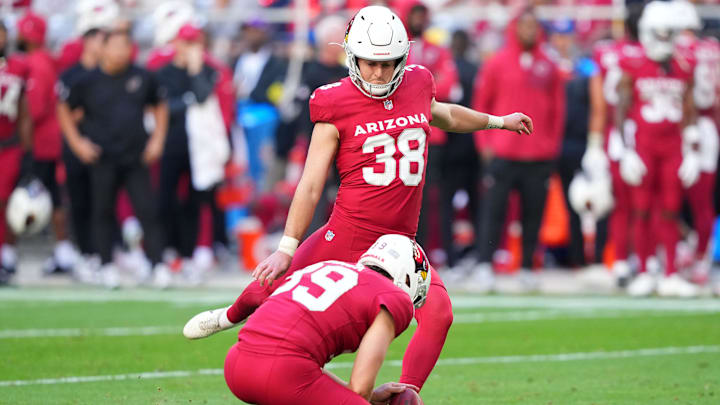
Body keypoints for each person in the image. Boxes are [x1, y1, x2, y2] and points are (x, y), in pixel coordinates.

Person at [184, 5, 532, 391]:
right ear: (351, 56)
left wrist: (498, 121)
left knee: (439, 314)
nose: (379, 73)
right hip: (348, 233)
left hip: (400, 244)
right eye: (369, 63)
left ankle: (408, 393)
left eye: (388, 63)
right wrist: (286, 246)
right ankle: (231, 316)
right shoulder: (334, 101)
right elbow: (311, 183)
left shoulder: (417, 83)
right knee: (278, 282)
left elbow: (443, 114)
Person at [201, 234, 429, 404]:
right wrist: (365, 397)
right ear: (407, 278)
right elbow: (359, 388)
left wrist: (371, 397)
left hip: (237, 365)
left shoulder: (327, 265)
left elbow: (300, 364)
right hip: (282, 373)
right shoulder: (393, 297)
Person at [57, 30, 169, 289]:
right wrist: (77, 143)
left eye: (125, 45)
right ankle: (106, 265)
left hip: (136, 156)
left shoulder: (142, 77)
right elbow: (63, 107)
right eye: (115, 46)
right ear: (103, 49)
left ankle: (157, 264)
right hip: (102, 157)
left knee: (148, 211)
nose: (121, 51)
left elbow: (159, 104)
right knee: (102, 211)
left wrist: (157, 139)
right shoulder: (87, 80)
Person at [472, 7, 565, 292]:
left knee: (533, 214)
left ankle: (526, 266)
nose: (529, 31)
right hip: (503, 152)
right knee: (493, 210)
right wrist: (485, 143)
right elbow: (482, 103)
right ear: (514, 29)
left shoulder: (549, 66)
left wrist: (551, 146)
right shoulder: (497, 63)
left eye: (533, 27)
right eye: (524, 26)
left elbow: (558, 111)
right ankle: (485, 265)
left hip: (538, 155)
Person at [617, 1, 699, 297]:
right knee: (640, 209)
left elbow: (689, 108)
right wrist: (624, 148)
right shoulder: (634, 64)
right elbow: (623, 107)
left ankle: (670, 273)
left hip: (673, 146)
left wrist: (692, 148)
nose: (665, 40)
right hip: (643, 145)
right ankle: (644, 269)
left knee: (670, 210)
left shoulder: (683, 65)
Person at [584, 2, 645, 286]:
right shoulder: (650, 55)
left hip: (615, 133)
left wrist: (595, 142)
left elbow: (598, 103)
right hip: (641, 130)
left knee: (622, 203)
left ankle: (623, 260)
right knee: (646, 202)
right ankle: (643, 261)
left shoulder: (606, 51)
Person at [155, 23, 219, 281]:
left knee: (194, 202)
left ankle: (190, 254)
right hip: (171, 143)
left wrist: (195, 70)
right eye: (188, 43)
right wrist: (187, 101)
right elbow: (167, 106)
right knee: (165, 199)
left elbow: (202, 96)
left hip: (198, 148)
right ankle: (165, 253)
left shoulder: (207, 71)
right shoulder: (163, 73)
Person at [16, 11, 77, 275]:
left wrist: (24, 143)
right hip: (51, 140)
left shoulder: (36, 64)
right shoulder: (45, 61)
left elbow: (35, 109)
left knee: (27, 196)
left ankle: (9, 254)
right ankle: (62, 250)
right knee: (52, 197)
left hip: (41, 142)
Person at [0, 35, 32, 283]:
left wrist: (26, 147)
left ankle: (7, 255)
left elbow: (24, 110)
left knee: (7, 201)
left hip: (8, 144)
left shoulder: (18, 67)